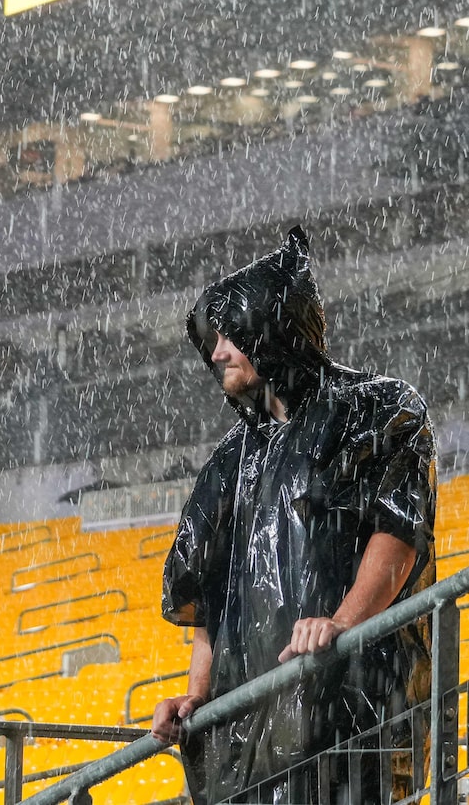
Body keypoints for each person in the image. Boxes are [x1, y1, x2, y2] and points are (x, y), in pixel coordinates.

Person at [153, 227, 436, 805]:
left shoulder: (378, 410)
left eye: (230, 335)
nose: (217, 353)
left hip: (356, 716)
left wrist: (342, 621)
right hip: (250, 746)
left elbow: (397, 533)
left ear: (273, 330)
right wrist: (197, 695)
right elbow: (208, 597)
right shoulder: (230, 462)